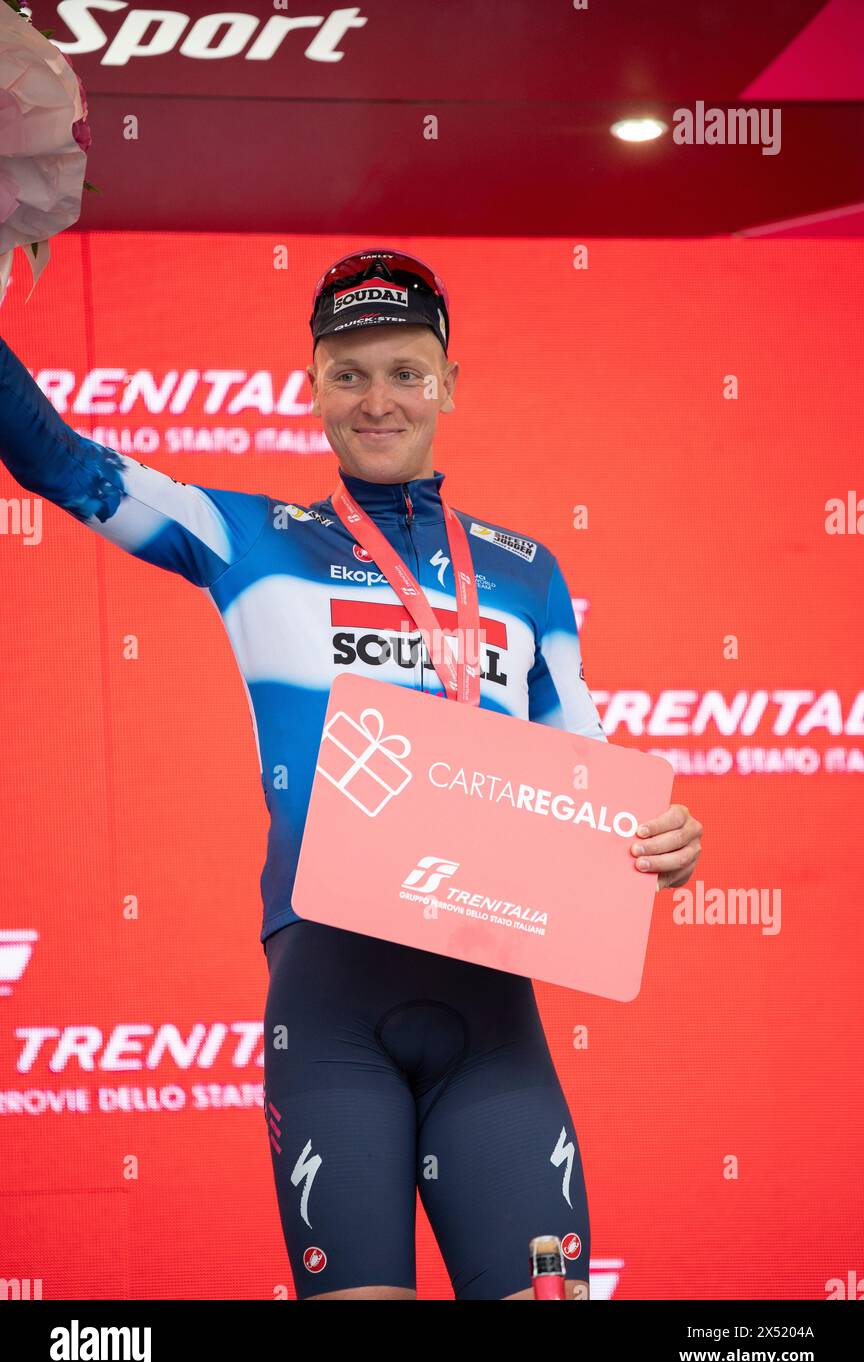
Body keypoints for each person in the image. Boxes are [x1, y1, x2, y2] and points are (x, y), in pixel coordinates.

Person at [0, 248, 703, 1299]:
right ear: (314, 385)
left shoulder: (525, 571)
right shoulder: (243, 537)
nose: (379, 400)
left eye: (407, 371)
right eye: (350, 372)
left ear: (450, 384)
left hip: (491, 1010)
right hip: (330, 1005)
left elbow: (589, 780)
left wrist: (664, 843)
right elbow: (56, 459)